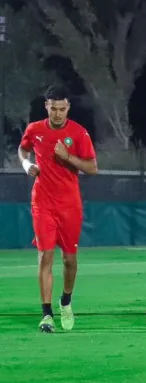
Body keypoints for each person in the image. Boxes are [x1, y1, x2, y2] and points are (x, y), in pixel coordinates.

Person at [18, 85, 98, 333]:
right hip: (42, 202)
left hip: (70, 205)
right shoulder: (35, 129)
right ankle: (46, 314)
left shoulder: (79, 133)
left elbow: (92, 168)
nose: (58, 114)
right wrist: (25, 164)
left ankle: (65, 301)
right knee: (45, 256)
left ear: (68, 108)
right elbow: (23, 148)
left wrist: (68, 157)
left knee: (70, 261)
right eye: (54, 109)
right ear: (46, 107)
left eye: (62, 109)